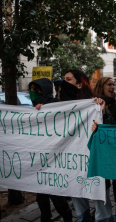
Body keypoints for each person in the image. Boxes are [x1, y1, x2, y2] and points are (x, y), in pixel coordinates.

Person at [59, 70, 114, 222]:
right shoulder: (59, 107)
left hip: (95, 165)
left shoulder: (94, 104)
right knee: (80, 209)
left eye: (68, 79)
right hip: (72, 166)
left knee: (102, 209)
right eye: (64, 79)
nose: (64, 83)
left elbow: (110, 131)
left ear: (79, 84)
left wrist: (102, 113)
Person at [29, 78, 73, 222]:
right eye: (32, 90)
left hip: (55, 158)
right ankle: (45, 217)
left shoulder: (54, 105)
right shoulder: (33, 108)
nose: (33, 93)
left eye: (37, 89)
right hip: (40, 158)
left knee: (55, 194)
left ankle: (67, 216)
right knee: (41, 196)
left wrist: (45, 111)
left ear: (45, 89)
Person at [94, 77, 116, 222]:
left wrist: (106, 113)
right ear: (102, 86)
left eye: (113, 84)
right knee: (103, 179)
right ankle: (103, 207)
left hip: (114, 146)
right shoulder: (92, 103)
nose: (112, 87)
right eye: (109, 84)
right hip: (100, 148)